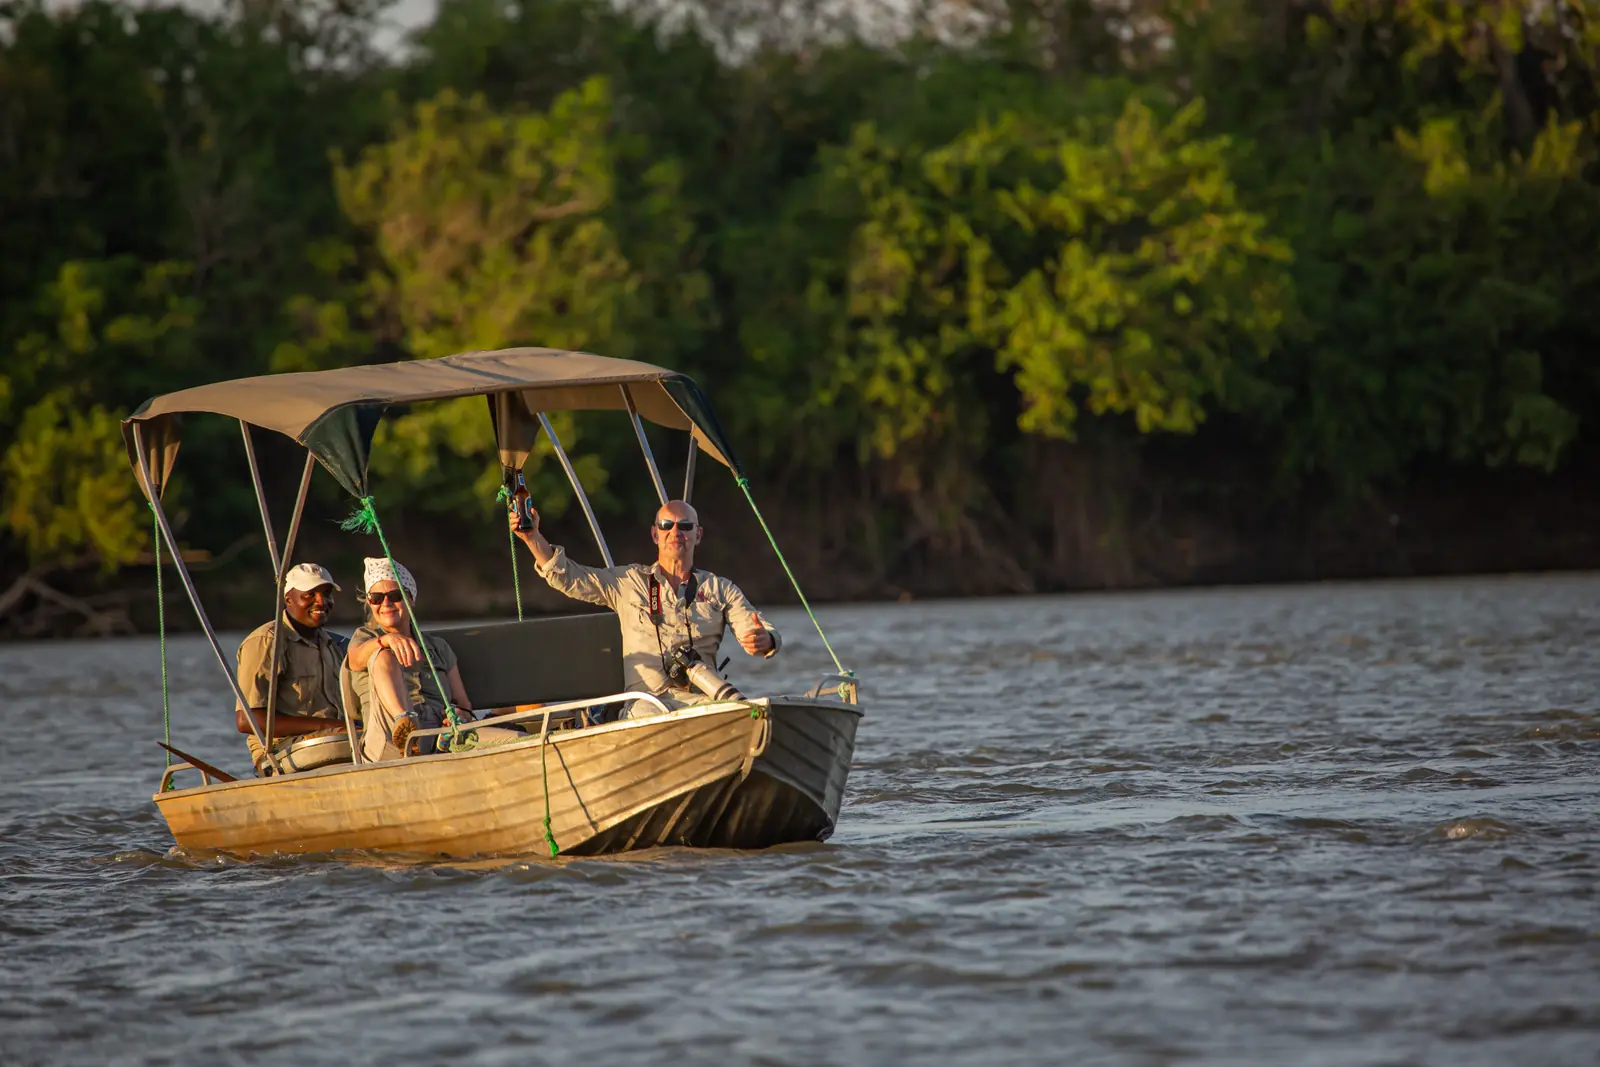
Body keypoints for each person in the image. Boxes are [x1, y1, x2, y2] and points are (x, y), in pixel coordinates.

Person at [510, 498, 780, 716]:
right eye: (666, 525)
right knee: (649, 715)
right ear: (655, 534)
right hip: (646, 703)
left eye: (685, 526)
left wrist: (764, 640)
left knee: (738, 715)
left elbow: (758, 630)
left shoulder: (720, 589)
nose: (676, 532)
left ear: (698, 535)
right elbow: (568, 576)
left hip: (702, 702)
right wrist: (532, 538)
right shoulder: (627, 582)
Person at [346, 557, 519, 761]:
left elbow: (463, 703)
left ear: (411, 599)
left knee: (519, 740)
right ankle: (405, 723)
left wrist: (457, 715)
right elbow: (355, 660)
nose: (386, 603)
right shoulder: (365, 638)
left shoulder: (438, 647)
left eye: (395, 595)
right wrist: (386, 640)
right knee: (383, 656)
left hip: (440, 735)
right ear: (370, 603)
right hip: (386, 734)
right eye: (376, 598)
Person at [234, 563, 350, 776]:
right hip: (284, 752)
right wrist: (332, 726)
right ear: (289, 600)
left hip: (337, 741)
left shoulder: (333, 644)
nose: (321, 601)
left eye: (327, 594)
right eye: (310, 595)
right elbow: (247, 720)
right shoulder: (266, 641)